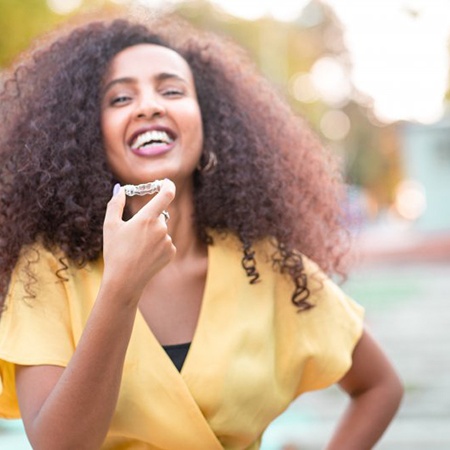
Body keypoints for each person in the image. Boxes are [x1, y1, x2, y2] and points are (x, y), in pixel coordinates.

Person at [0, 10, 403, 450]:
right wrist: (120, 287)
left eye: (172, 90)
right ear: (85, 135)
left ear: (209, 124)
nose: (150, 105)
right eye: (119, 99)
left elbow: (379, 387)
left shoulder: (267, 266)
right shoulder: (46, 272)